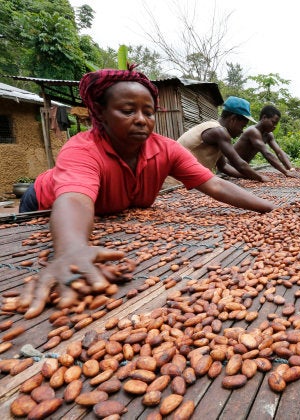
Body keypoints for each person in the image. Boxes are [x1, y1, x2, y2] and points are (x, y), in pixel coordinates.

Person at [18, 67, 275, 319]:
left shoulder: (167, 150)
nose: (141, 119)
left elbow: (216, 184)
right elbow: (74, 199)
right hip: (47, 206)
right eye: (127, 111)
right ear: (101, 113)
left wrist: (271, 208)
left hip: (110, 211)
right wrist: (71, 249)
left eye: (148, 112)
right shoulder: (82, 149)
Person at [177, 96, 271, 182]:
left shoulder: (216, 132)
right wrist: (260, 177)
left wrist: (248, 176)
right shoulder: (219, 132)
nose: (242, 131)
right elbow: (240, 164)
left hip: (186, 180)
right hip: (175, 183)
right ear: (233, 119)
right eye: (242, 126)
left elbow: (223, 166)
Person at [234, 105, 300, 178]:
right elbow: (267, 154)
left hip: (242, 169)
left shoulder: (268, 135)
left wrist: (291, 169)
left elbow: (279, 152)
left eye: (276, 124)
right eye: (273, 122)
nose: (274, 126)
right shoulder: (253, 131)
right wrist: (285, 172)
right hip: (231, 168)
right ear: (264, 117)